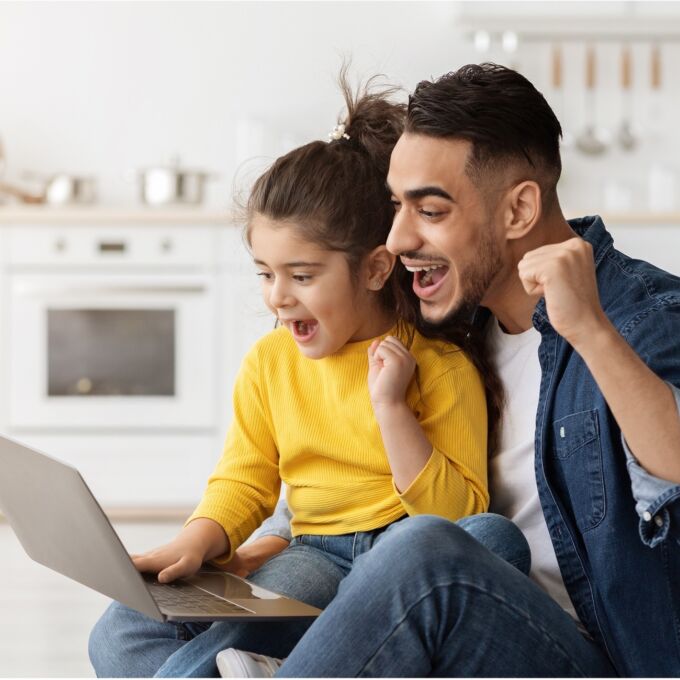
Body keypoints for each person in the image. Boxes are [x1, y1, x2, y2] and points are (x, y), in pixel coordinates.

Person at [218, 63, 680, 677]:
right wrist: (269, 548)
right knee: (134, 630)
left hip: (580, 652)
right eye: (395, 207)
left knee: (426, 552)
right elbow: (353, 471)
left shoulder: (642, 318)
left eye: (429, 211)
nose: (399, 236)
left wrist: (588, 331)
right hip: (439, 633)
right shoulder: (450, 329)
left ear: (518, 210)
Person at [88, 74, 527, 678]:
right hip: (316, 553)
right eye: (265, 274)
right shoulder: (270, 365)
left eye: (301, 275)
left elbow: (451, 519)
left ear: (374, 269)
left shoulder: (441, 369)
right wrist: (199, 539)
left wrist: (393, 410)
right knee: (149, 629)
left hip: (406, 561)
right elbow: (245, 481)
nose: (278, 299)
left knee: (496, 538)